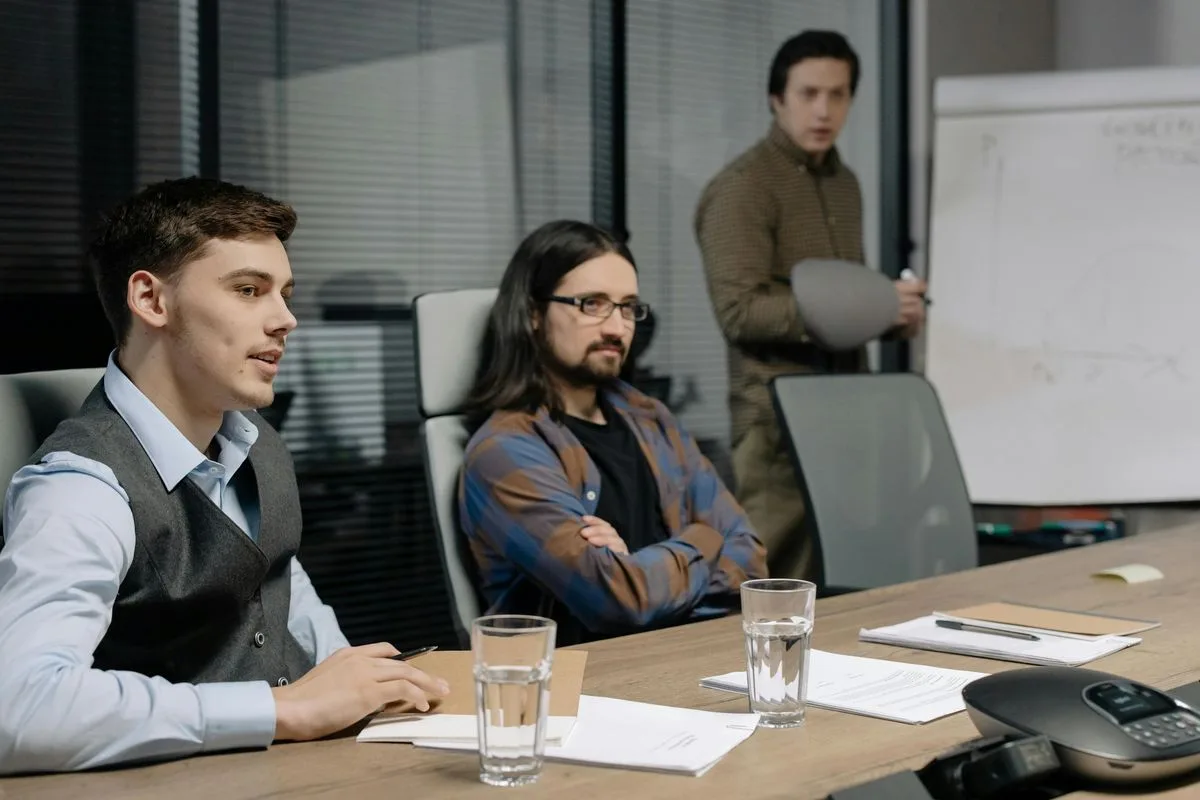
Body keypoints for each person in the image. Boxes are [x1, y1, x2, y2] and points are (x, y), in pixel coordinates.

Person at [0, 177, 448, 775]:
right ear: (151, 300)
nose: (286, 319)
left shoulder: (254, 439)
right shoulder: (79, 487)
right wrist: (282, 710)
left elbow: (281, 585)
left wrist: (363, 689)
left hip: (305, 772)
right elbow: (18, 708)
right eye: (248, 290)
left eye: (285, 294)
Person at [459, 220, 767, 647]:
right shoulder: (504, 450)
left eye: (627, 308)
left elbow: (751, 560)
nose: (616, 328)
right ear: (533, 314)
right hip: (583, 678)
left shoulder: (651, 418)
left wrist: (639, 567)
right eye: (592, 304)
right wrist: (706, 538)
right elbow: (620, 600)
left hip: (687, 657)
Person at [694, 30, 927, 582]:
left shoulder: (844, 183)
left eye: (837, 94)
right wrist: (870, 305)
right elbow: (738, 311)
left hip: (849, 416)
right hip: (776, 424)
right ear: (777, 99)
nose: (823, 110)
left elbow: (842, 303)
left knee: (848, 581)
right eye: (808, 94)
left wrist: (891, 313)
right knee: (770, 585)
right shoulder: (742, 187)